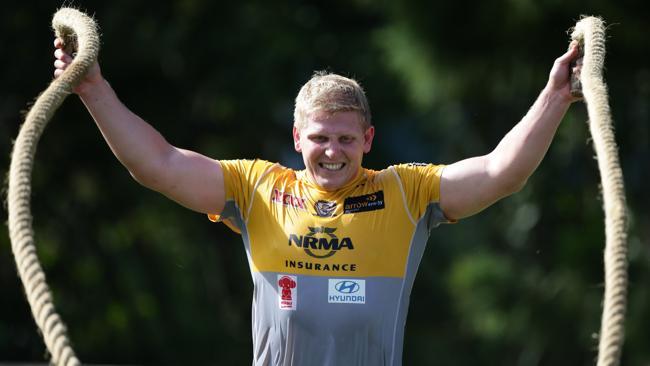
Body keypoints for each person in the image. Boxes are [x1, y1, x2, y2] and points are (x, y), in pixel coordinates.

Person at [53, 36, 581, 365]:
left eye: (346, 139)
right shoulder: (257, 186)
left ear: (368, 140)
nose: (332, 152)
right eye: (320, 138)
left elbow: (498, 172)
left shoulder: (405, 190)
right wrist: (93, 88)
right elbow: (159, 166)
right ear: (298, 136)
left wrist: (555, 98)